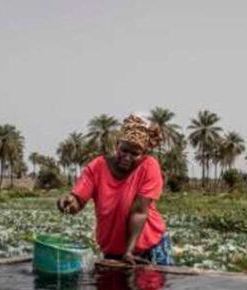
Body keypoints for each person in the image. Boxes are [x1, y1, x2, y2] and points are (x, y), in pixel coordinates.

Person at [57, 114, 172, 266]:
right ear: (117, 145)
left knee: (149, 288)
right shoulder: (97, 167)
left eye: (134, 154)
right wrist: (69, 202)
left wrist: (129, 251)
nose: (127, 157)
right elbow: (78, 200)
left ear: (143, 154)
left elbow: (139, 212)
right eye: (124, 150)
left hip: (149, 247)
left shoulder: (149, 167)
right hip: (113, 250)